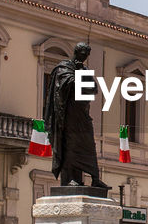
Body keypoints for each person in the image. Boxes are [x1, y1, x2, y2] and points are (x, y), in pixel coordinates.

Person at [43, 42, 108, 190]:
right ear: (76, 52)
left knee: (90, 145)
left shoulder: (84, 69)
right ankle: (71, 178)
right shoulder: (64, 67)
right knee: (71, 145)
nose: (84, 58)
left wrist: (81, 74)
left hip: (82, 115)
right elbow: (65, 85)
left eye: (87, 55)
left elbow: (93, 89)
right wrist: (79, 75)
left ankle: (95, 178)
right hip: (68, 115)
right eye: (82, 54)